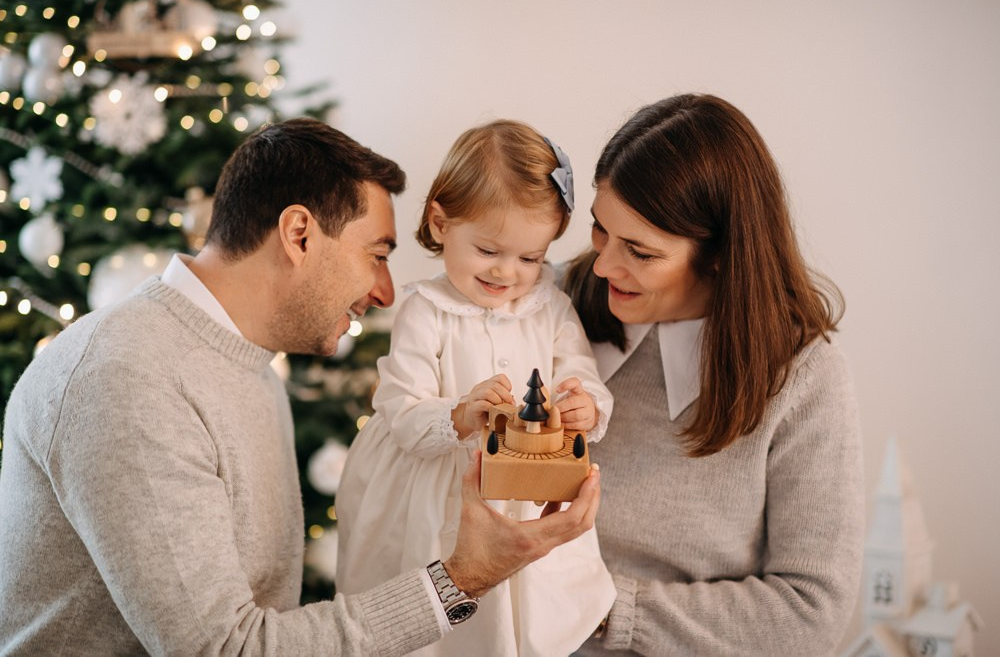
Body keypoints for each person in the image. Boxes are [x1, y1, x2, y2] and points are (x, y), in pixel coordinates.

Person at [0, 118, 602, 656]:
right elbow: (225, 650)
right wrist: (462, 579)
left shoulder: (248, 365)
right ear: (299, 234)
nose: (389, 293)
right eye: (377, 254)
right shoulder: (128, 380)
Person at [563, 94, 864, 655]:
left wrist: (601, 607)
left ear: (723, 253)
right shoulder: (553, 304)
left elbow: (811, 610)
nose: (603, 265)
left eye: (641, 252)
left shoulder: (804, 377)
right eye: (601, 230)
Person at [336, 120, 616, 656]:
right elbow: (401, 408)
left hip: (523, 481)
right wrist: (461, 414)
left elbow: (585, 380)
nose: (508, 272)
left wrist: (585, 406)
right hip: (434, 488)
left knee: (521, 613)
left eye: (531, 258)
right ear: (441, 222)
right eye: (489, 250)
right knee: (440, 624)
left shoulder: (550, 308)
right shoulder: (425, 310)